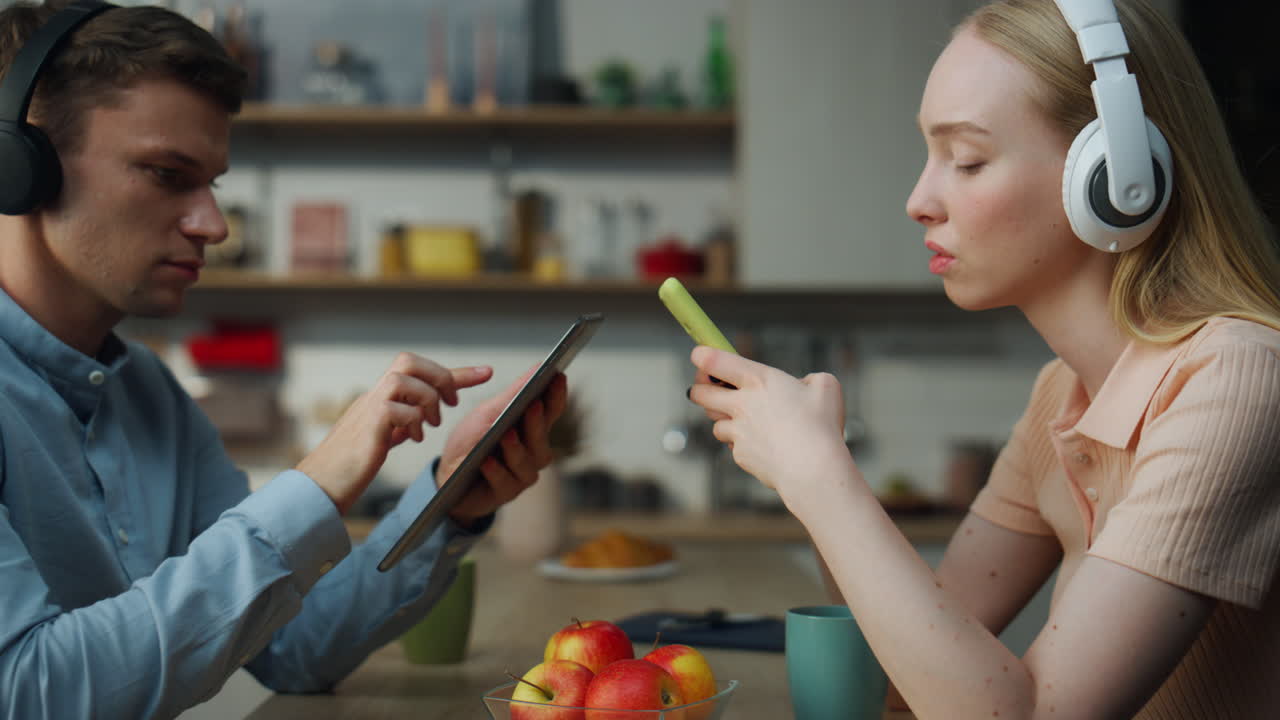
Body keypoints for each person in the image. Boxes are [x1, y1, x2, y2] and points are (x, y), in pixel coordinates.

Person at [686, 0, 1280, 717]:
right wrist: (809, 468)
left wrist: (819, 478)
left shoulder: (1240, 378)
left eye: (966, 160)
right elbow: (900, 678)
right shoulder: (1061, 393)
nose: (918, 201)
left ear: (1118, 179)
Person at [0, 2, 568, 718]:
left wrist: (447, 508)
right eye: (168, 174)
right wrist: (314, 485)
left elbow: (291, 649)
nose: (213, 225)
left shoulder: (150, 394)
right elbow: (27, 693)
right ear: (19, 167)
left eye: (212, 185)